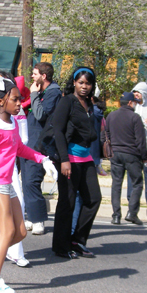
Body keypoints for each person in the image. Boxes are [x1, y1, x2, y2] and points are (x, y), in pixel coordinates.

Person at [0, 75, 56, 293]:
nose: (19, 103)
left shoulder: (13, 123)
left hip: (7, 183)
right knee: (7, 232)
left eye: (19, 99)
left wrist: (42, 159)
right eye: (15, 99)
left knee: (21, 232)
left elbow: (19, 149)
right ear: (0, 102)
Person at [52, 67, 102, 259]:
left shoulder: (89, 103)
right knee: (68, 203)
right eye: (81, 82)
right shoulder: (67, 101)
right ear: (74, 82)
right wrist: (64, 160)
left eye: (88, 83)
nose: (84, 87)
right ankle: (61, 246)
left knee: (94, 198)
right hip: (69, 158)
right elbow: (58, 130)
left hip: (86, 157)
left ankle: (77, 240)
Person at [23, 61, 61, 236]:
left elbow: (40, 115)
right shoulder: (42, 92)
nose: (32, 76)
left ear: (44, 76)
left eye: (35, 73)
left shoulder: (53, 93)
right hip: (29, 143)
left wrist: (33, 95)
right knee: (26, 181)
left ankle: (38, 220)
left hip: (40, 144)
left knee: (32, 180)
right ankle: (31, 216)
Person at [105, 91, 147, 225]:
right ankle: (132, 213)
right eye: (134, 102)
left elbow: (105, 135)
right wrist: (144, 157)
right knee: (137, 183)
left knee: (116, 184)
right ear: (130, 102)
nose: (135, 104)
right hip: (131, 154)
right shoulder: (135, 117)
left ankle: (116, 215)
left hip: (115, 153)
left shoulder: (111, 116)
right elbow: (140, 141)